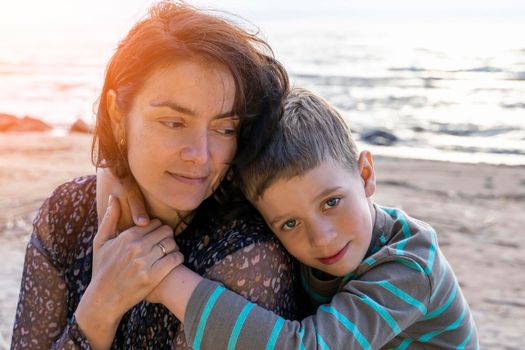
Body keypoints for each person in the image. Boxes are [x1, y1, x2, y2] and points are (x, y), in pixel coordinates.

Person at [10, 2, 299, 349]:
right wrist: (101, 306)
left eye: (224, 128)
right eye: (174, 122)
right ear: (119, 114)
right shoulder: (68, 213)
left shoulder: (247, 256)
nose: (200, 155)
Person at [116, 88, 479, 349]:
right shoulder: (304, 233)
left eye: (332, 202)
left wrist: (169, 283)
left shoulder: (411, 267)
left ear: (366, 175)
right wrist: (117, 174)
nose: (321, 238)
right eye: (289, 223)